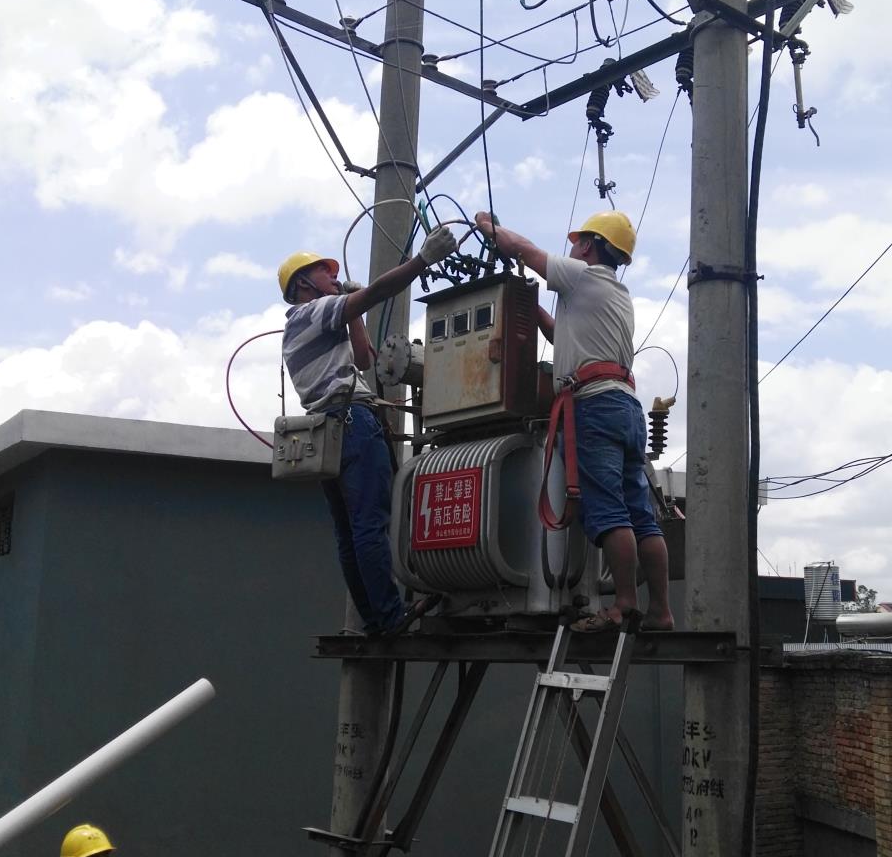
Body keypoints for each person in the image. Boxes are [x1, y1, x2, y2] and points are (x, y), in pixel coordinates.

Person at [474, 207, 674, 633]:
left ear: (589, 245)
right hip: (625, 406)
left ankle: (623, 606)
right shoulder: (614, 293)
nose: (572, 246)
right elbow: (560, 335)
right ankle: (660, 611)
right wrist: (531, 308)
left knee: (609, 510)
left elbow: (523, 248)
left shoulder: (581, 276)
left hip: (594, 406)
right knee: (640, 515)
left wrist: (488, 225)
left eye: (577, 240)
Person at [277, 224, 457, 636]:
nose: (334, 276)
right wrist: (422, 260)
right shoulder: (312, 312)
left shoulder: (309, 324)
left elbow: (363, 359)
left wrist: (353, 312)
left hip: (328, 431)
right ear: (303, 284)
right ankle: (390, 616)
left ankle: (377, 621)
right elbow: (377, 292)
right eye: (324, 271)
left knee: (351, 531)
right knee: (370, 524)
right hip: (351, 422)